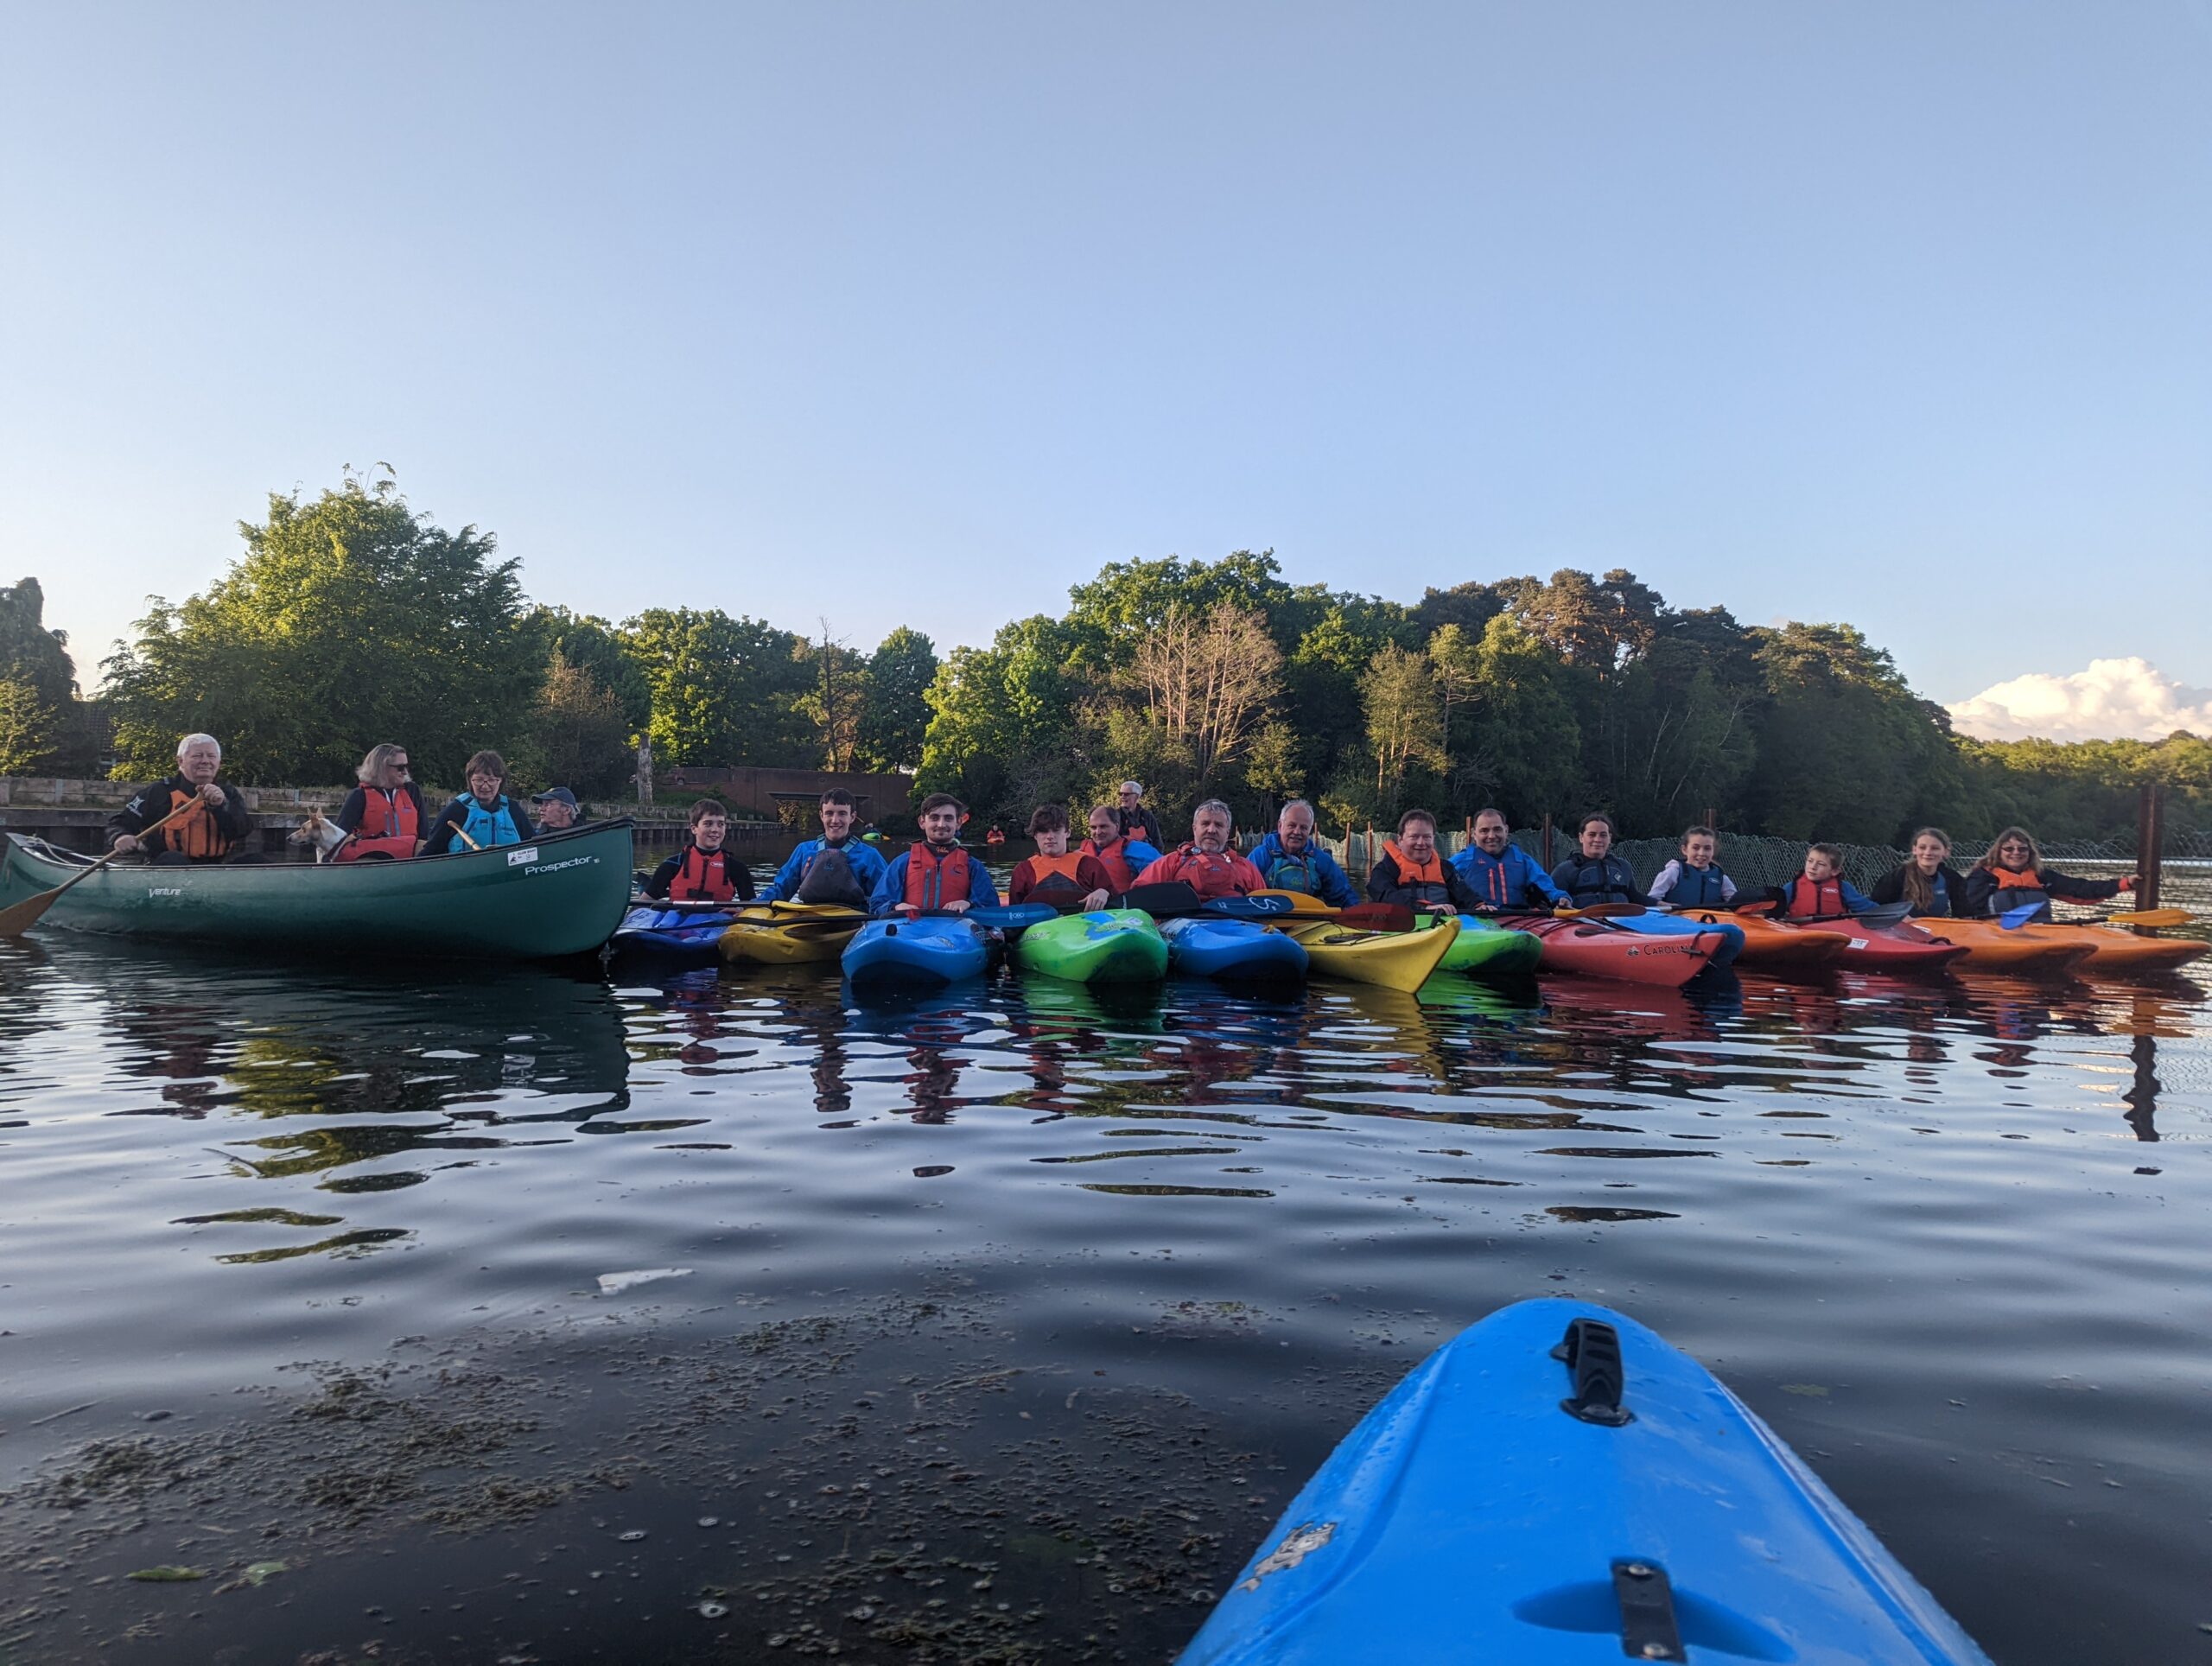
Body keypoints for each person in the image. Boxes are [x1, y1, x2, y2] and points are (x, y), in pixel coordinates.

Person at [108, 733, 257, 863]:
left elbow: (243, 830)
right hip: (168, 866)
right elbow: (120, 823)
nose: (205, 761)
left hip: (216, 868)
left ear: (219, 763)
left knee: (256, 860)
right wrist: (120, 836)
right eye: (197, 756)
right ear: (180, 762)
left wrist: (221, 806)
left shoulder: (229, 794)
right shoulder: (158, 792)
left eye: (211, 756)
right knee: (173, 859)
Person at [1960, 825, 2133, 923]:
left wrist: (2124, 884)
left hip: (2039, 934)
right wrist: (1989, 922)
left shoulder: (2041, 876)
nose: (2016, 853)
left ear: (2029, 852)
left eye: (2022, 849)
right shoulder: (1983, 877)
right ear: (1999, 852)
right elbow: (1966, 910)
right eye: (2009, 849)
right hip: (1996, 934)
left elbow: (2081, 891)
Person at [871, 792, 1003, 917]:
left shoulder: (973, 866)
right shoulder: (902, 863)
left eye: (948, 818)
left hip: (955, 933)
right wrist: (896, 907)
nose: (941, 824)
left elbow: (990, 907)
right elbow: (877, 905)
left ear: (958, 823)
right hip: (911, 929)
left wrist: (969, 904)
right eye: (934, 818)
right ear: (922, 822)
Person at [759, 789, 888, 907]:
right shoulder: (804, 850)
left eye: (842, 814)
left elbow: (885, 897)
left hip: (855, 922)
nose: (835, 820)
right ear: (822, 815)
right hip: (811, 920)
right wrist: (751, 906)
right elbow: (780, 890)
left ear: (852, 817)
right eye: (829, 813)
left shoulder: (870, 855)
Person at [1131, 798, 1265, 900]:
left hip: (1237, 929)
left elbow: (1265, 905)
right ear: (1195, 828)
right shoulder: (1171, 863)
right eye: (1205, 824)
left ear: (1227, 832)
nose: (1211, 830)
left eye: (1219, 825)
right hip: (1185, 928)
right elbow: (1137, 897)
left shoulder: (1246, 867)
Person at [1365, 807, 1484, 913]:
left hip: (1441, 927)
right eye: (1414, 837)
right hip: (1399, 926)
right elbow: (1385, 896)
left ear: (1433, 839)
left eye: (1427, 837)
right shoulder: (1385, 868)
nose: (1421, 843)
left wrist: (1478, 905)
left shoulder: (1446, 868)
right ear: (1400, 840)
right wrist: (1423, 907)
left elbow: (1464, 894)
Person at [1451, 808, 1567, 912]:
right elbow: (1439, 885)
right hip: (1477, 920)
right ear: (1473, 834)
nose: (1491, 836)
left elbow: (1546, 886)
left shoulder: (1523, 860)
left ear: (1506, 831)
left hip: (1518, 918)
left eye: (1497, 829)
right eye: (1484, 831)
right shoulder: (1461, 861)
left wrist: (1561, 898)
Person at [326, 742, 428, 862]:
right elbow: (339, 836)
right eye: (400, 768)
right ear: (382, 767)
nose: (405, 772)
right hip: (375, 863)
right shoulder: (359, 796)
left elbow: (423, 832)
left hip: (410, 860)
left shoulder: (412, 790)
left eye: (406, 767)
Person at [1246, 799, 1356, 906]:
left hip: (1309, 920)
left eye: (1303, 828)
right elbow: (1243, 892)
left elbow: (1344, 896)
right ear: (1280, 826)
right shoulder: (1260, 856)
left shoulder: (1321, 860)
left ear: (1310, 831)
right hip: (1266, 918)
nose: (1297, 832)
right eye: (1292, 825)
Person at [423, 750, 536, 855]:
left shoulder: (513, 810)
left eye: (492, 780)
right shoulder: (455, 811)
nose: (485, 786)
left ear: (500, 781)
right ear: (470, 780)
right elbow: (430, 851)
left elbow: (533, 846)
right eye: (479, 780)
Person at [645, 798, 756, 902]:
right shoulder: (672, 864)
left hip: (718, 919)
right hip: (676, 918)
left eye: (721, 824)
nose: (715, 830)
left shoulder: (737, 868)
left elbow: (750, 906)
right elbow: (644, 902)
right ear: (694, 829)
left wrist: (740, 910)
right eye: (708, 824)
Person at [1007, 804, 1114, 909]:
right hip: (1039, 926)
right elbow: (1014, 915)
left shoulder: (1090, 865)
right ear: (1035, 835)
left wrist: (1105, 893)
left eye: (1056, 830)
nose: (1050, 837)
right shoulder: (1023, 871)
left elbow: (1116, 904)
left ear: (1067, 833)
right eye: (1044, 831)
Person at [1549, 813, 1651, 907]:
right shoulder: (1565, 870)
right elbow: (1551, 897)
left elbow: (1634, 896)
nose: (1598, 840)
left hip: (1619, 923)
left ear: (1609, 838)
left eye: (1603, 835)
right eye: (1592, 835)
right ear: (1581, 838)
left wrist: (1661, 904)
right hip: (1581, 923)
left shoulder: (1623, 866)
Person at [1871, 828, 1973, 918]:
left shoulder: (1952, 878)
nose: (1928, 853)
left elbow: (1964, 914)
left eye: (1935, 848)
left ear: (1946, 852)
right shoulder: (1898, 875)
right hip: (1898, 932)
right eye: (1922, 848)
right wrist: (1900, 918)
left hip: (1935, 933)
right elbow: (1876, 908)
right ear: (1914, 850)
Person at [1773, 843, 1877, 919]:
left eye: (1821, 864)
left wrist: (1889, 912)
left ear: (1835, 871)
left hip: (1833, 935)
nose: (1813, 867)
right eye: (1810, 861)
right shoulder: (1792, 887)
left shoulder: (1844, 888)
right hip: (1800, 934)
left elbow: (1868, 909)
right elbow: (1773, 911)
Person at [1647, 825, 1738, 908]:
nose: (1701, 853)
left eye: (1707, 848)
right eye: (1696, 848)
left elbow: (1736, 903)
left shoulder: (1720, 877)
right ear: (1685, 850)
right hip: (1676, 923)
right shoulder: (1673, 872)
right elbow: (1651, 900)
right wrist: (1671, 907)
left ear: (1713, 851)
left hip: (1710, 924)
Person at [1080, 804, 1161, 891]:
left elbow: (1165, 873)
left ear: (1117, 827)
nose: (1098, 832)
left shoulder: (1137, 850)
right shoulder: (1082, 852)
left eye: (1103, 826)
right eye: (1093, 827)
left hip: (1123, 903)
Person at [1116, 780, 1165, 849]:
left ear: (1137, 796)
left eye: (1126, 794)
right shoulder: (1115, 815)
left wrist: (1158, 858)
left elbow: (1157, 841)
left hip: (1147, 857)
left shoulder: (1147, 816)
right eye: (1120, 794)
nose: (1122, 797)